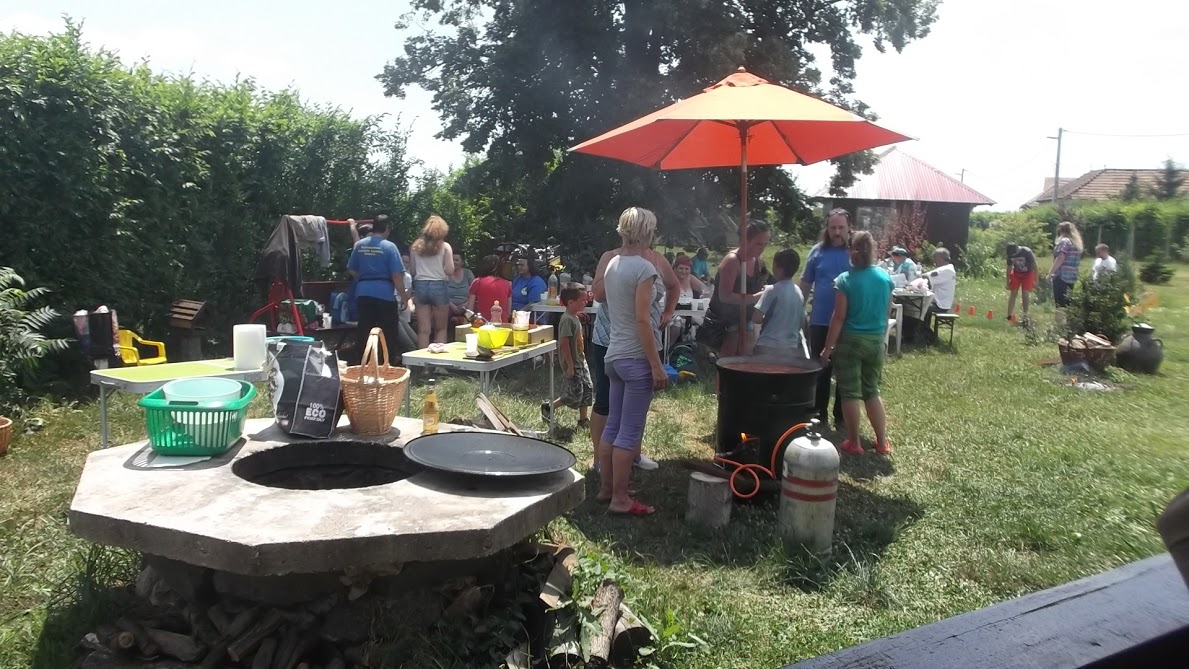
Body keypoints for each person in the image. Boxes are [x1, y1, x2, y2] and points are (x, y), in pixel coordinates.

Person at [589, 223, 677, 476]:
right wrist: (625, 275)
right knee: (605, 402)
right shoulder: (611, 258)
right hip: (610, 337)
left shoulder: (656, 260)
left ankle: (632, 454)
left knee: (635, 405)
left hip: (645, 342)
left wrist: (668, 311)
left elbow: (673, 286)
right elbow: (598, 294)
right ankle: (601, 460)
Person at [597, 207, 668, 516]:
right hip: (636, 359)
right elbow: (642, 320)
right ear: (647, 233)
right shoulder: (643, 268)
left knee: (612, 426)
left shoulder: (612, 264)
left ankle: (606, 489)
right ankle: (621, 499)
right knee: (628, 432)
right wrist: (656, 365)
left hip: (613, 356)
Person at [820, 231, 894, 455]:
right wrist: (880, 337)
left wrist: (828, 348)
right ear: (873, 249)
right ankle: (882, 443)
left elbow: (839, 317)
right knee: (872, 391)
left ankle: (854, 443)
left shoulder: (845, 280)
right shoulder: (885, 278)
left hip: (850, 342)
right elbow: (887, 313)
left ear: (850, 251)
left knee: (850, 393)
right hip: (875, 341)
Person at [800, 209, 852, 430]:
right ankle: (819, 413)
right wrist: (798, 309)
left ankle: (841, 416)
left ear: (849, 228)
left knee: (844, 371)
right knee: (820, 368)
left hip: (849, 321)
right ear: (827, 229)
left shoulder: (855, 252)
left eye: (841, 228)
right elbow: (805, 283)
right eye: (833, 228)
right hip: (820, 320)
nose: (837, 232)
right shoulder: (817, 251)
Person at [346, 216, 413, 358]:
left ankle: (362, 362)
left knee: (365, 329)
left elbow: (351, 268)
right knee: (389, 332)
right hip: (385, 295)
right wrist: (403, 297)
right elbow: (396, 275)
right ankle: (387, 363)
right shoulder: (389, 247)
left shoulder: (360, 245)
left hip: (363, 293)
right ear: (387, 228)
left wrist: (363, 278)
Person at [702, 219, 771, 357]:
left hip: (746, 320)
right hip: (723, 323)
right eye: (758, 244)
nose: (762, 248)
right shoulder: (732, 261)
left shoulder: (758, 262)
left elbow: (769, 281)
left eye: (765, 244)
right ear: (745, 240)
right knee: (726, 363)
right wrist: (755, 297)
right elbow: (725, 296)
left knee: (746, 360)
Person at [541, 285, 593, 428]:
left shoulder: (574, 317)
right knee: (574, 393)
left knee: (587, 388)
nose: (586, 302)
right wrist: (570, 366)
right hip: (573, 363)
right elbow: (564, 343)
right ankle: (549, 406)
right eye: (582, 300)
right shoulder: (566, 320)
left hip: (581, 361)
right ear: (570, 302)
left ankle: (583, 419)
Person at [408, 215, 455, 348]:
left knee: (423, 329)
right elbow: (450, 270)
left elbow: (413, 271)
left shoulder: (416, 246)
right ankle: (438, 358)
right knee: (441, 328)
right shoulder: (445, 247)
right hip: (439, 285)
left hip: (421, 286)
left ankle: (422, 359)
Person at [751, 248, 805, 357]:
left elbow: (756, 318)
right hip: (791, 348)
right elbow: (801, 323)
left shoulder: (771, 290)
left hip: (767, 346)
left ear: (779, 268)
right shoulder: (799, 292)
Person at [466, 254, 512, 320]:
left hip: (483, 322)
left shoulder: (477, 282)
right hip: (502, 323)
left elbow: (469, 310)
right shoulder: (507, 284)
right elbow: (508, 313)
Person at [1050, 221, 1084, 309]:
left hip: (1061, 276)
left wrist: (1050, 273)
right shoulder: (1076, 244)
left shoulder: (1064, 241)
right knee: (1068, 303)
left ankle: (1059, 318)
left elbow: (1060, 257)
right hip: (1072, 276)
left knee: (1059, 304)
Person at [1005, 243, 1037, 323]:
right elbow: (1009, 268)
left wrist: (1036, 280)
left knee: (1025, 294)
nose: (1013, 256)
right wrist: (1007, 282)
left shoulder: (1027, 252)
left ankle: (1025, 316)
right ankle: (1009, 316)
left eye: (1014, 254)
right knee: (1013, 293)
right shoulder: (1010, 254)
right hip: (1016, 274)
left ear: (1017, 250)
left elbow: (1035, 266)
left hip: (1028, 274)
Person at [446, 251, 475, 324]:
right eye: (452, 259)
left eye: (456, 260)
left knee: (472, 316)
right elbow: (441, 293)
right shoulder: (445, 274)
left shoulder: (468, 273)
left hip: (467, 306)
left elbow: (474, 292)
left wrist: (465, 305)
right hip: (449, 306)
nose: (454, 262)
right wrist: (452, 306)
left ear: (462, 262)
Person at [925, 247, 957, 313]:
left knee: (916, 306)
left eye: (935, 258)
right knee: (918, 304)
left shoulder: (946, 270)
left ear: (940, 259)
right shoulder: (948, 269)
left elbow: (926, 276)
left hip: (940, 305)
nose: (934, 261)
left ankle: (918, 321)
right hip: (940, 302)